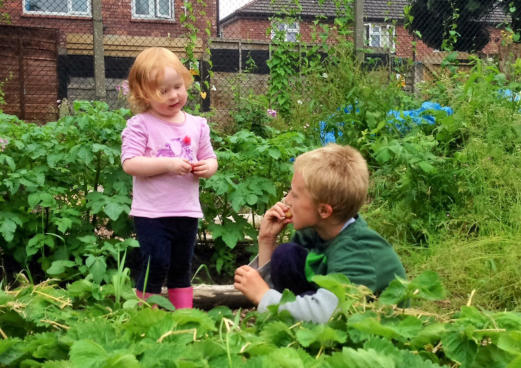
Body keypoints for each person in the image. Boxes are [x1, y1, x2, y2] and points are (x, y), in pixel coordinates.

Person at [234, 144, 405, 323]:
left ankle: (300, 322)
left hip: (375, 329)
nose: (287, 200)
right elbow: (275, 288)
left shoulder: (357, 251)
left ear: (324, 211)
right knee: (286, 256)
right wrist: (266, 240)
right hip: (335, 307)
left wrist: (264, 296)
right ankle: (294, 322)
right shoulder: (314, 231)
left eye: (295, 195)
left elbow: (331, 315)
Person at [121, 47, 218, 309]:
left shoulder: (197, 124)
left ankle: (184, 318)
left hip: (186, 211)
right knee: (156, 261)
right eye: (164, 91)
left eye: (178, 86)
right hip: (151, 213)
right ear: (144, 95)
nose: (174, 95)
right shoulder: (140, 124)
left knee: (180, 266)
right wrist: (168, 164)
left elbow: (210, 158)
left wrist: (206, 168)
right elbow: (130, 163)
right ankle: (146, 314)